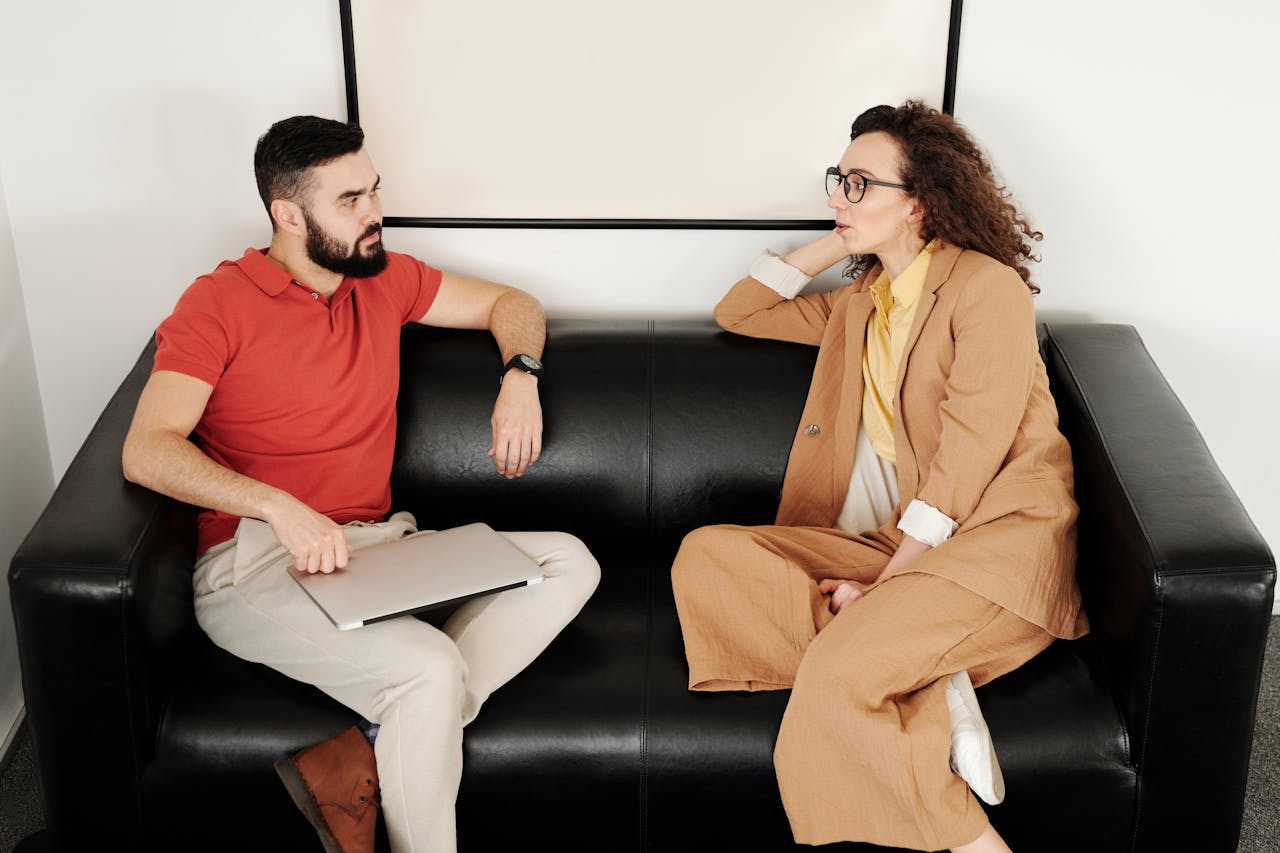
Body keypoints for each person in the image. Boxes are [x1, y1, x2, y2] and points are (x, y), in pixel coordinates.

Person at [121, 115, 600, 853]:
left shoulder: (386, 279)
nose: (374, 212)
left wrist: (521, 377)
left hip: (374, 547)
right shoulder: (215, 304)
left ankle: (370, 742)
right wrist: (278, 505)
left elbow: (513, 304)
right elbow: (147, 450)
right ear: (288, 214)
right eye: (350, 200)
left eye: (373, 190)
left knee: (570, 559)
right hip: (256, 562)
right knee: (429, 669)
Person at [670, 101, 1087, 853]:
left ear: (920, 202)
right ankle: (936, 682)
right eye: (839, 179)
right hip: (905, 542)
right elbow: (739, 310)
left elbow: (968, 457)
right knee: (706, 553)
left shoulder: (985, 288)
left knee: (835, 676)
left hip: (995, 549)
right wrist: (835, 249)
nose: (836, 196)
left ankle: (972, 841)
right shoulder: (862, 302)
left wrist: (886, 586)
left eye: (859, 184)